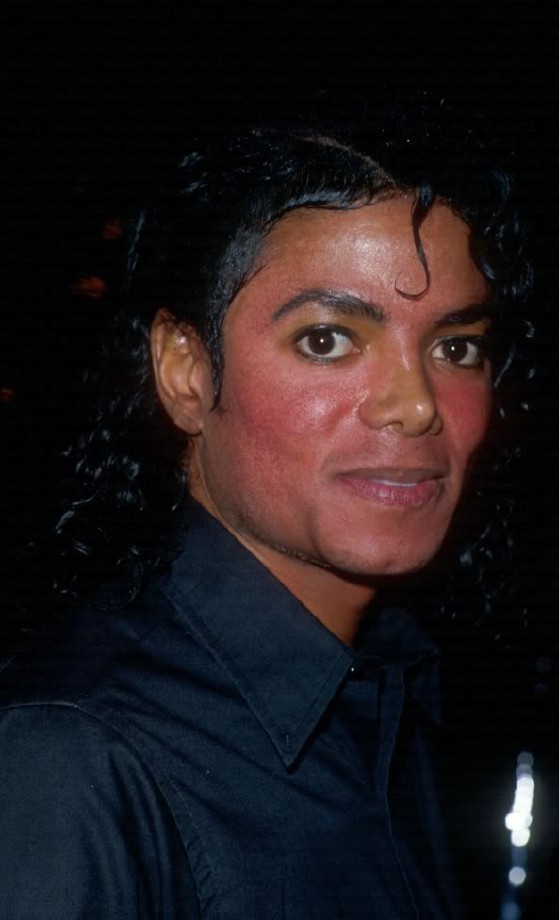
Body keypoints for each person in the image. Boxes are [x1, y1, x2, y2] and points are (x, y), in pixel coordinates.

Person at [0, 104, 532, 918]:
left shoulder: (396, 693)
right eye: (328, 340)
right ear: (186, 371)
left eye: (455, 347)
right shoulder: (69, 759)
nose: (417, 404)